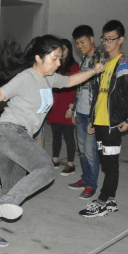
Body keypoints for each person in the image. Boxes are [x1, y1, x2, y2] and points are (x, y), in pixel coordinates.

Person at [0, 35, 105, 247]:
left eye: (60, 59)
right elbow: (1, 93)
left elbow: (70, 80)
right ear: (39, 58)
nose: (58, 63)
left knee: (11, 190)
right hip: (9, 132)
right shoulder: (25, 77)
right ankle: (3, 205)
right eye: (54, 58)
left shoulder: (50, 78)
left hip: (12, 137)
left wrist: (94, 71)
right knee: (46, 169)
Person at [79, 20, 128, 218]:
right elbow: (98, 94)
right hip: (100, 121)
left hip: (113, 123)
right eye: (104, 39)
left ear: (121, 40)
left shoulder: (125, 64)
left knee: (111, 163)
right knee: (105, 163)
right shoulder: (103, 63)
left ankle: (102, 201)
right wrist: (92, 119)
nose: (106, 43)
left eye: (111, 39)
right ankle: (111, 201)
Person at [68, 25, 107, 199]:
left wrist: (95, 118)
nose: (79, 46)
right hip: (81, 112)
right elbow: (79, 88)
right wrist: (75, 110)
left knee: (91, 153)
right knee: (82, 150)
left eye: (82, 42)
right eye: (77, 43)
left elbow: (102, 92)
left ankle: (91, 185)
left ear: (92, 39)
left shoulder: (102, 60)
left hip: (93, 115)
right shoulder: (84, 60)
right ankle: (85, 179)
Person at [46, 38, 79, 177]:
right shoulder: (56, 65)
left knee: (69, 136)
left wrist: (72, 107)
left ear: (69, 50)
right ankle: (55, 160)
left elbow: (76, 88)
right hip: (56, 104)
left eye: (64, 49)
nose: (62, 52)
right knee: (56, 135)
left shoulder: (75, 66)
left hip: (67, 105)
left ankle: (70, 164)